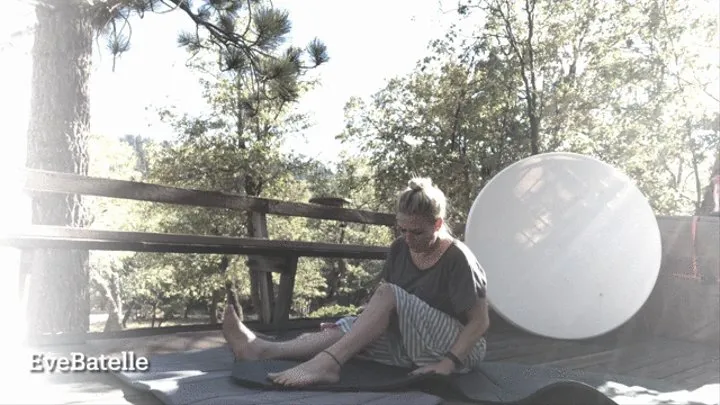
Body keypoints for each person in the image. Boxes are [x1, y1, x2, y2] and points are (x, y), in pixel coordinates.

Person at [222, 176, 490, 388]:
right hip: (414, 342)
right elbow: (383, 308)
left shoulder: (458, 258)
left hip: (458, 348)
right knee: (344, 331)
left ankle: (327, 365)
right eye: (402, 229)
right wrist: (354, 323)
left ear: (437, 223)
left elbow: (480, 322)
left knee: (387, 294)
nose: (408, 239)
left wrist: (448, 363)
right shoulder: (400, 249)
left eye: (417, 232)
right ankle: (260, 350)